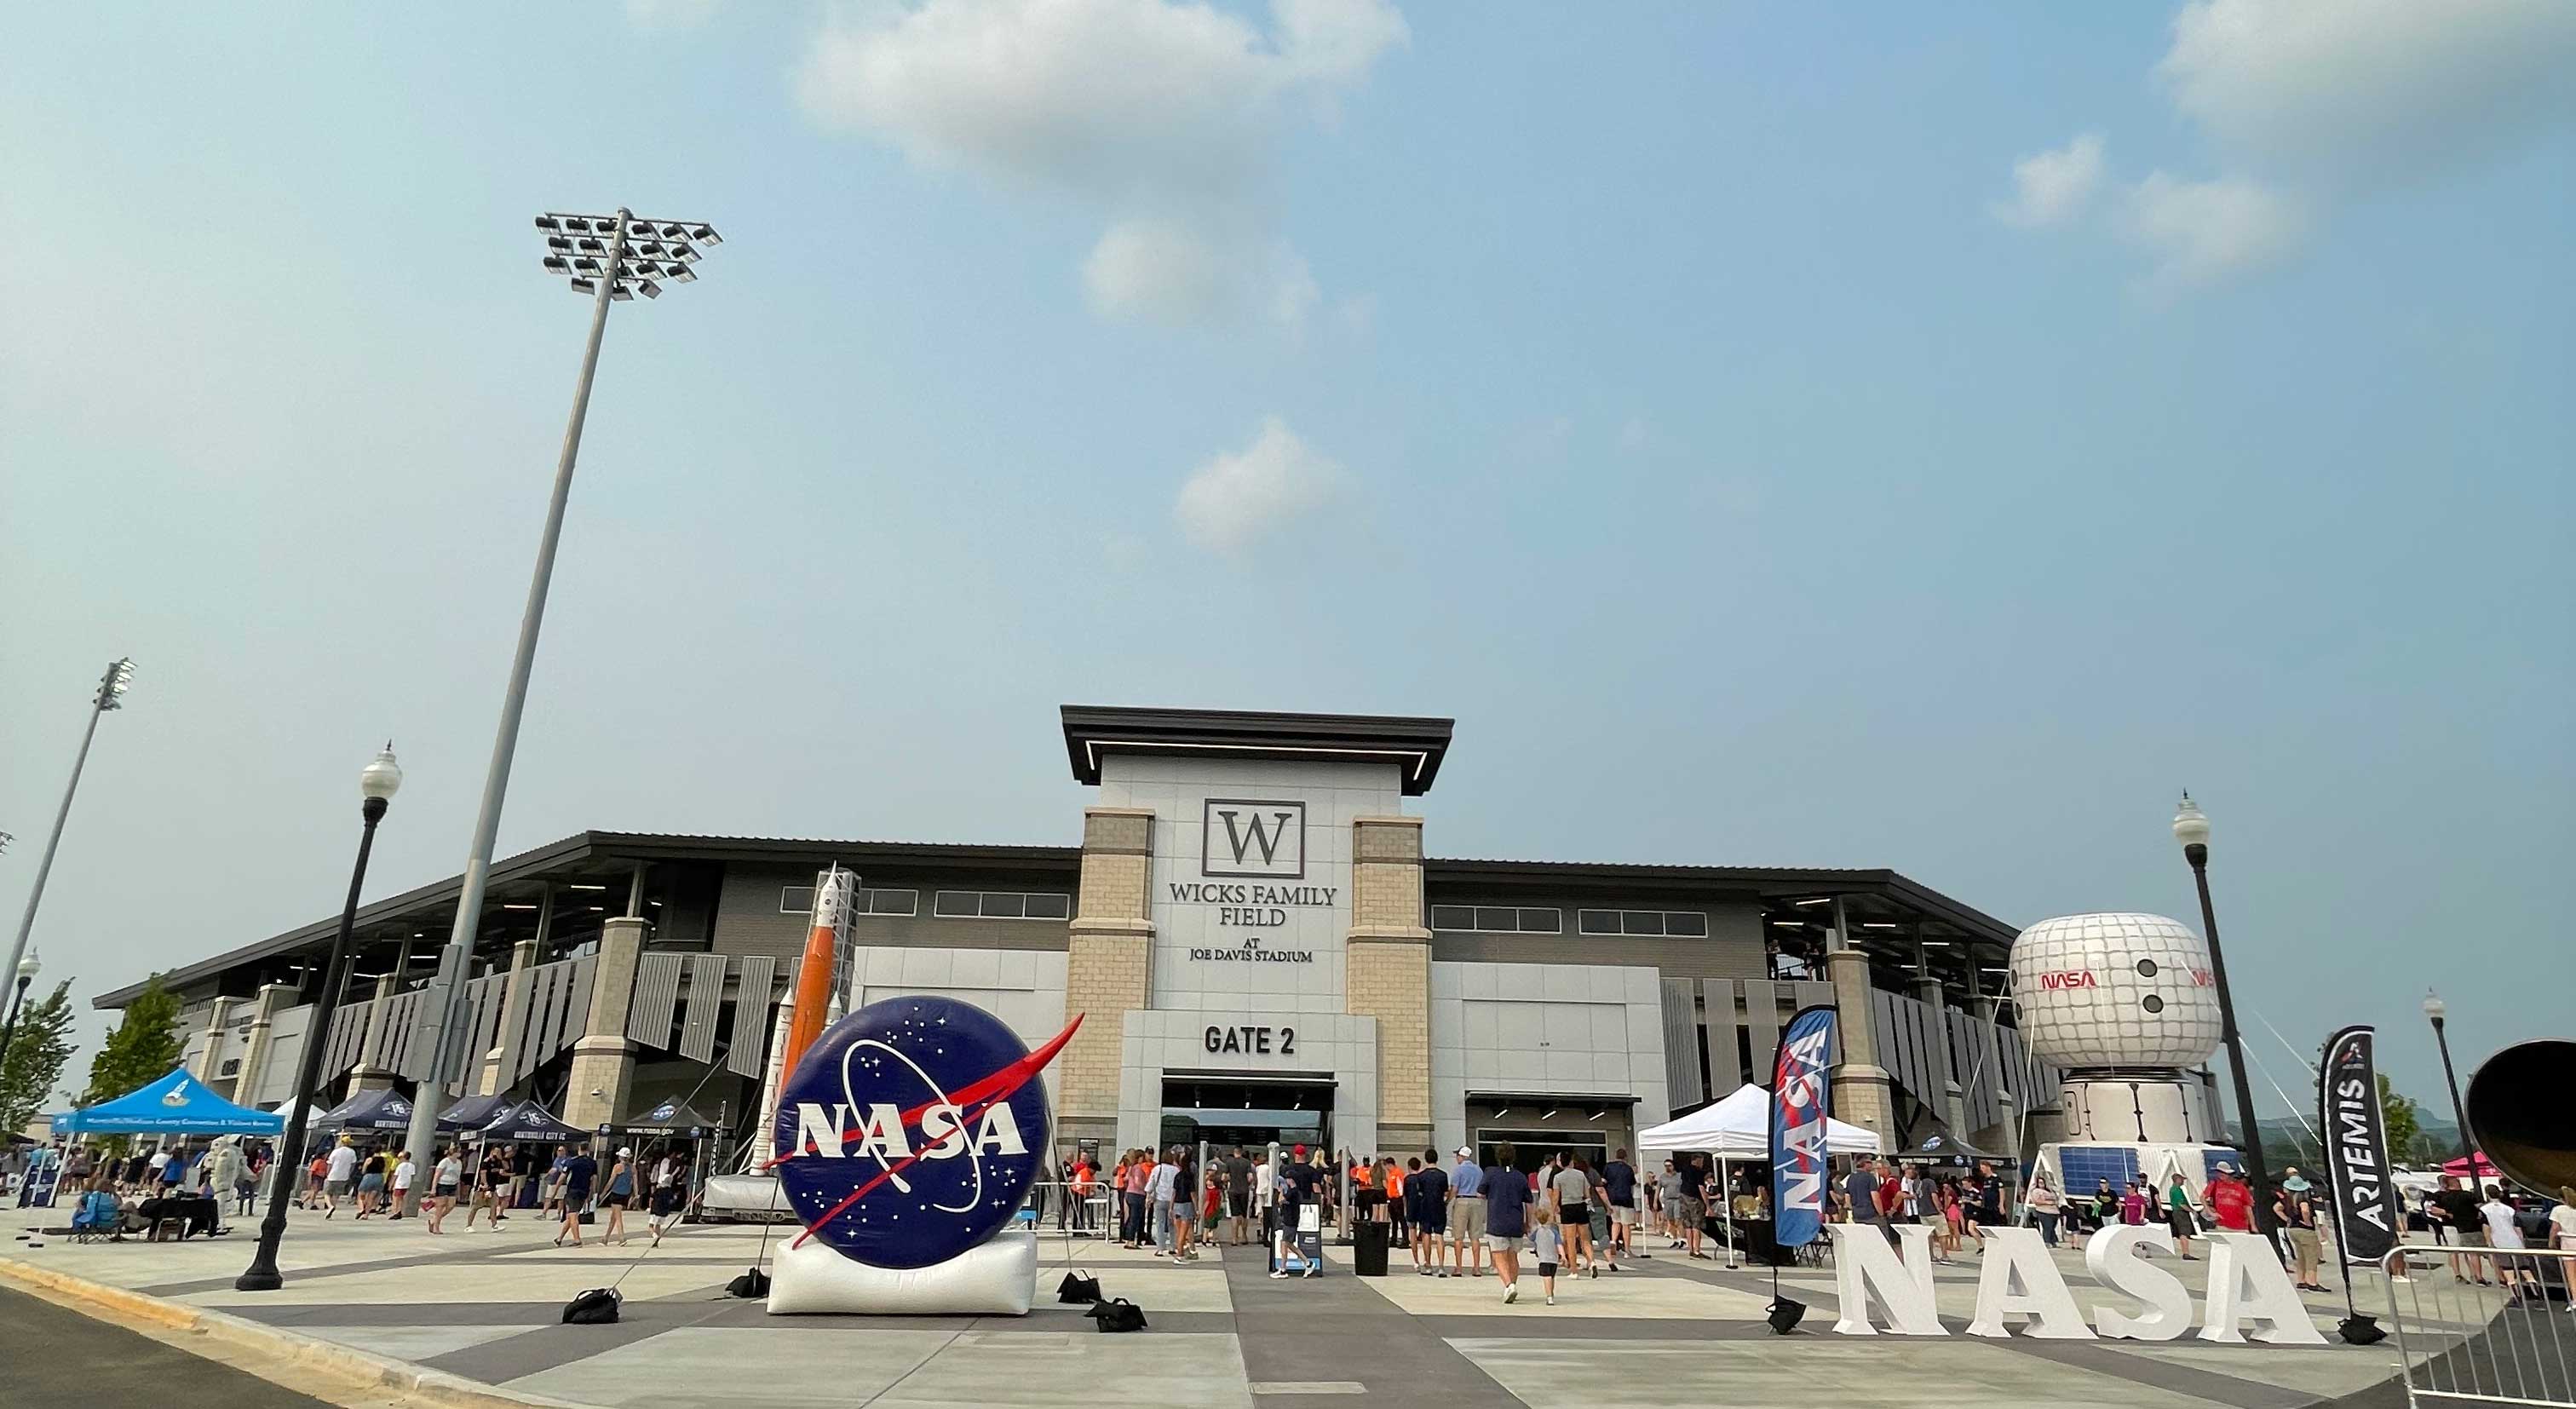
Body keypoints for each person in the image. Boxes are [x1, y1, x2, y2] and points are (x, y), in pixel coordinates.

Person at [1484, 1142, 1531, 1304]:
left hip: (1497, 1220)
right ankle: (1513, 1284)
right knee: (1513, 1256)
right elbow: (1529, 1201)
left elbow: (1480, 1192)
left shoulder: (1491, 1174)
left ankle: (1509, 1285)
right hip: (1516, 1220)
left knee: (1499, 1256)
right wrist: (1528, 1223)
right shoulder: (1520, 1176)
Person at [2480, 1186, 2537, 1301]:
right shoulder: (2509, 1209)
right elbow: (2517, 1228)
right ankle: (2537, 1295)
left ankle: (2517, 1298)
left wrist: (2489, 1243)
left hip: (2500, 1243)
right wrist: (2522, 1243)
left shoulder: (2485, 1210)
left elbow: (2486, 1228)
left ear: (2487, 1195)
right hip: (2515, 1242)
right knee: (2525, 1269)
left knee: (2508, 1271)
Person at [2429, 1175, 2489, 1285]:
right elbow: (2430, 1209)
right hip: (2452, 1226)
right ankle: (2462, 1275)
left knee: (2465, 1251)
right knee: (2458, 1251)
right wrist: (2447, 1213)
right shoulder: (2439, 1196)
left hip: (2455, 1225)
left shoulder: (2445, 1196)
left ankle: (2471, 1274)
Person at [1409, 1150, 1450, 1277]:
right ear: (1437, 1159)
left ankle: (1428, 1264)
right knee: (1439, 1236)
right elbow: (1445, 1192)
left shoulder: (1421, 1176)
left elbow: (1420, 1192)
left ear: (1426, 1160)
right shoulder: (1443, 1175)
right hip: (1439, 1206)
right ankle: (1441, 1266)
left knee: (1426, 1235)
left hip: (1425, 1207)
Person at [1448, 1146, 1486, 1278]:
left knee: (1458, 1237)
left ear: (1462, 1156)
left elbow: (1454, 1189)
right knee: (1475, 1237)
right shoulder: (1479, 1170)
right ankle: (1476, 1268)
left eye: (1457, 1156)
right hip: (1477, 1201)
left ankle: (1459, 1268)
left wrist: (1448, 1201)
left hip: (1462, 1200)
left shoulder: (1459, 1170)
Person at [647, 1151, 690, 1246]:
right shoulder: (669, 1191)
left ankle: (654, 1236)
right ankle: (656, 1241)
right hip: (664, 1211)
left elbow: (651, 1198)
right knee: (658, 1225)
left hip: (655, 1210)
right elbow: (672, 1199)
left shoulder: (659, 1190)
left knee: (651, 1226)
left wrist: (650, 1207)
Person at [557, 1145, 596, 1247]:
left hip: (572, 1191)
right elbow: (594, 1179)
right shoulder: (592, 1162)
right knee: (571, 1216)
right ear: (588, 1150)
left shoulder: (571, 1161)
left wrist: (555, 1191)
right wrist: (593, 1192)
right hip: (584, 1191)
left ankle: (577, 1240)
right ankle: (559, 1238)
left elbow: (562, 1177)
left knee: (573, 1216)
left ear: (579, 1149)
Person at [1149, 1145, 1181, 1256]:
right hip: (1173, 1200)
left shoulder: (1158, 1169)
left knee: (1160, 1224)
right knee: (1172, 1224)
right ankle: (1173, 1246)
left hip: (1160, 1198)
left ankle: (1161, 1248)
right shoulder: (1176, 1170)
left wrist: (1149, 1195)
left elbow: (1151, 1183)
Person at [1531, 1205, 1563, 1307]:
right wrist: (1563, 1256)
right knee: (1552, 1277)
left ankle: (1549, 1296)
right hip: (1554, 1259)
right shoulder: (1554, 1232)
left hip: (1543, 1259)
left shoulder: (1537, 1232)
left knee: (1546, 1277)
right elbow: (1559, 1244)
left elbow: (1531, 1238)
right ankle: (1551, 1294)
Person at [603, 1147, 636, 1245]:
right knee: (613, 1218)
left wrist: (603, 1192)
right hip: (626, 1194)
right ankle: (606, 1238)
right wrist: (636, 1194)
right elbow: (635, 1183)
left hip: (616, 1193)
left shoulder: (618, 1167)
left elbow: (611, 1181)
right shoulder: (633, 1168)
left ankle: (622, 1238)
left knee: (618, 1217)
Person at [2165, 1175, 2199, 1260]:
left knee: (2182, 1232)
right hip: (2180, 1213)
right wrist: (2192, 1211)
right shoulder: (2176, 1190)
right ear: (2177, 1180)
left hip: (2177, 1212)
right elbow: (2181, 1204)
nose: (2183, 1181)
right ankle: (2186, 1253)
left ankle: (2186, 1252)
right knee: (2184, 1232)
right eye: (2182, 1179)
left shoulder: (2173, 1189)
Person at [2028, 1171, 2063, 1246]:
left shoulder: (2050, 1191)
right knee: (2048, 1226)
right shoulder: (2036, 1191)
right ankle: (2047, 1241)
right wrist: (2048, 1203)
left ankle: (2053, 1241)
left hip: (2054, 1212)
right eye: (2040, 1183)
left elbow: (2057, 1198)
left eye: (2043, 1182)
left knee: (2052, 1227)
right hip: (2043, 1211)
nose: (2042, 1184)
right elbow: (2037, 1202)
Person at [388, 1150, 415, 1219]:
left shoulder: (400, 1166)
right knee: (401, 1197)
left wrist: (391, 1184)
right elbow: (412, 1175)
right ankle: (400, 1210)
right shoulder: (412, 1165)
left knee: (395, 1197)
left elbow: (395, 1175)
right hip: (407, 1183)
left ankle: (396, 1211)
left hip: (399, 1183)